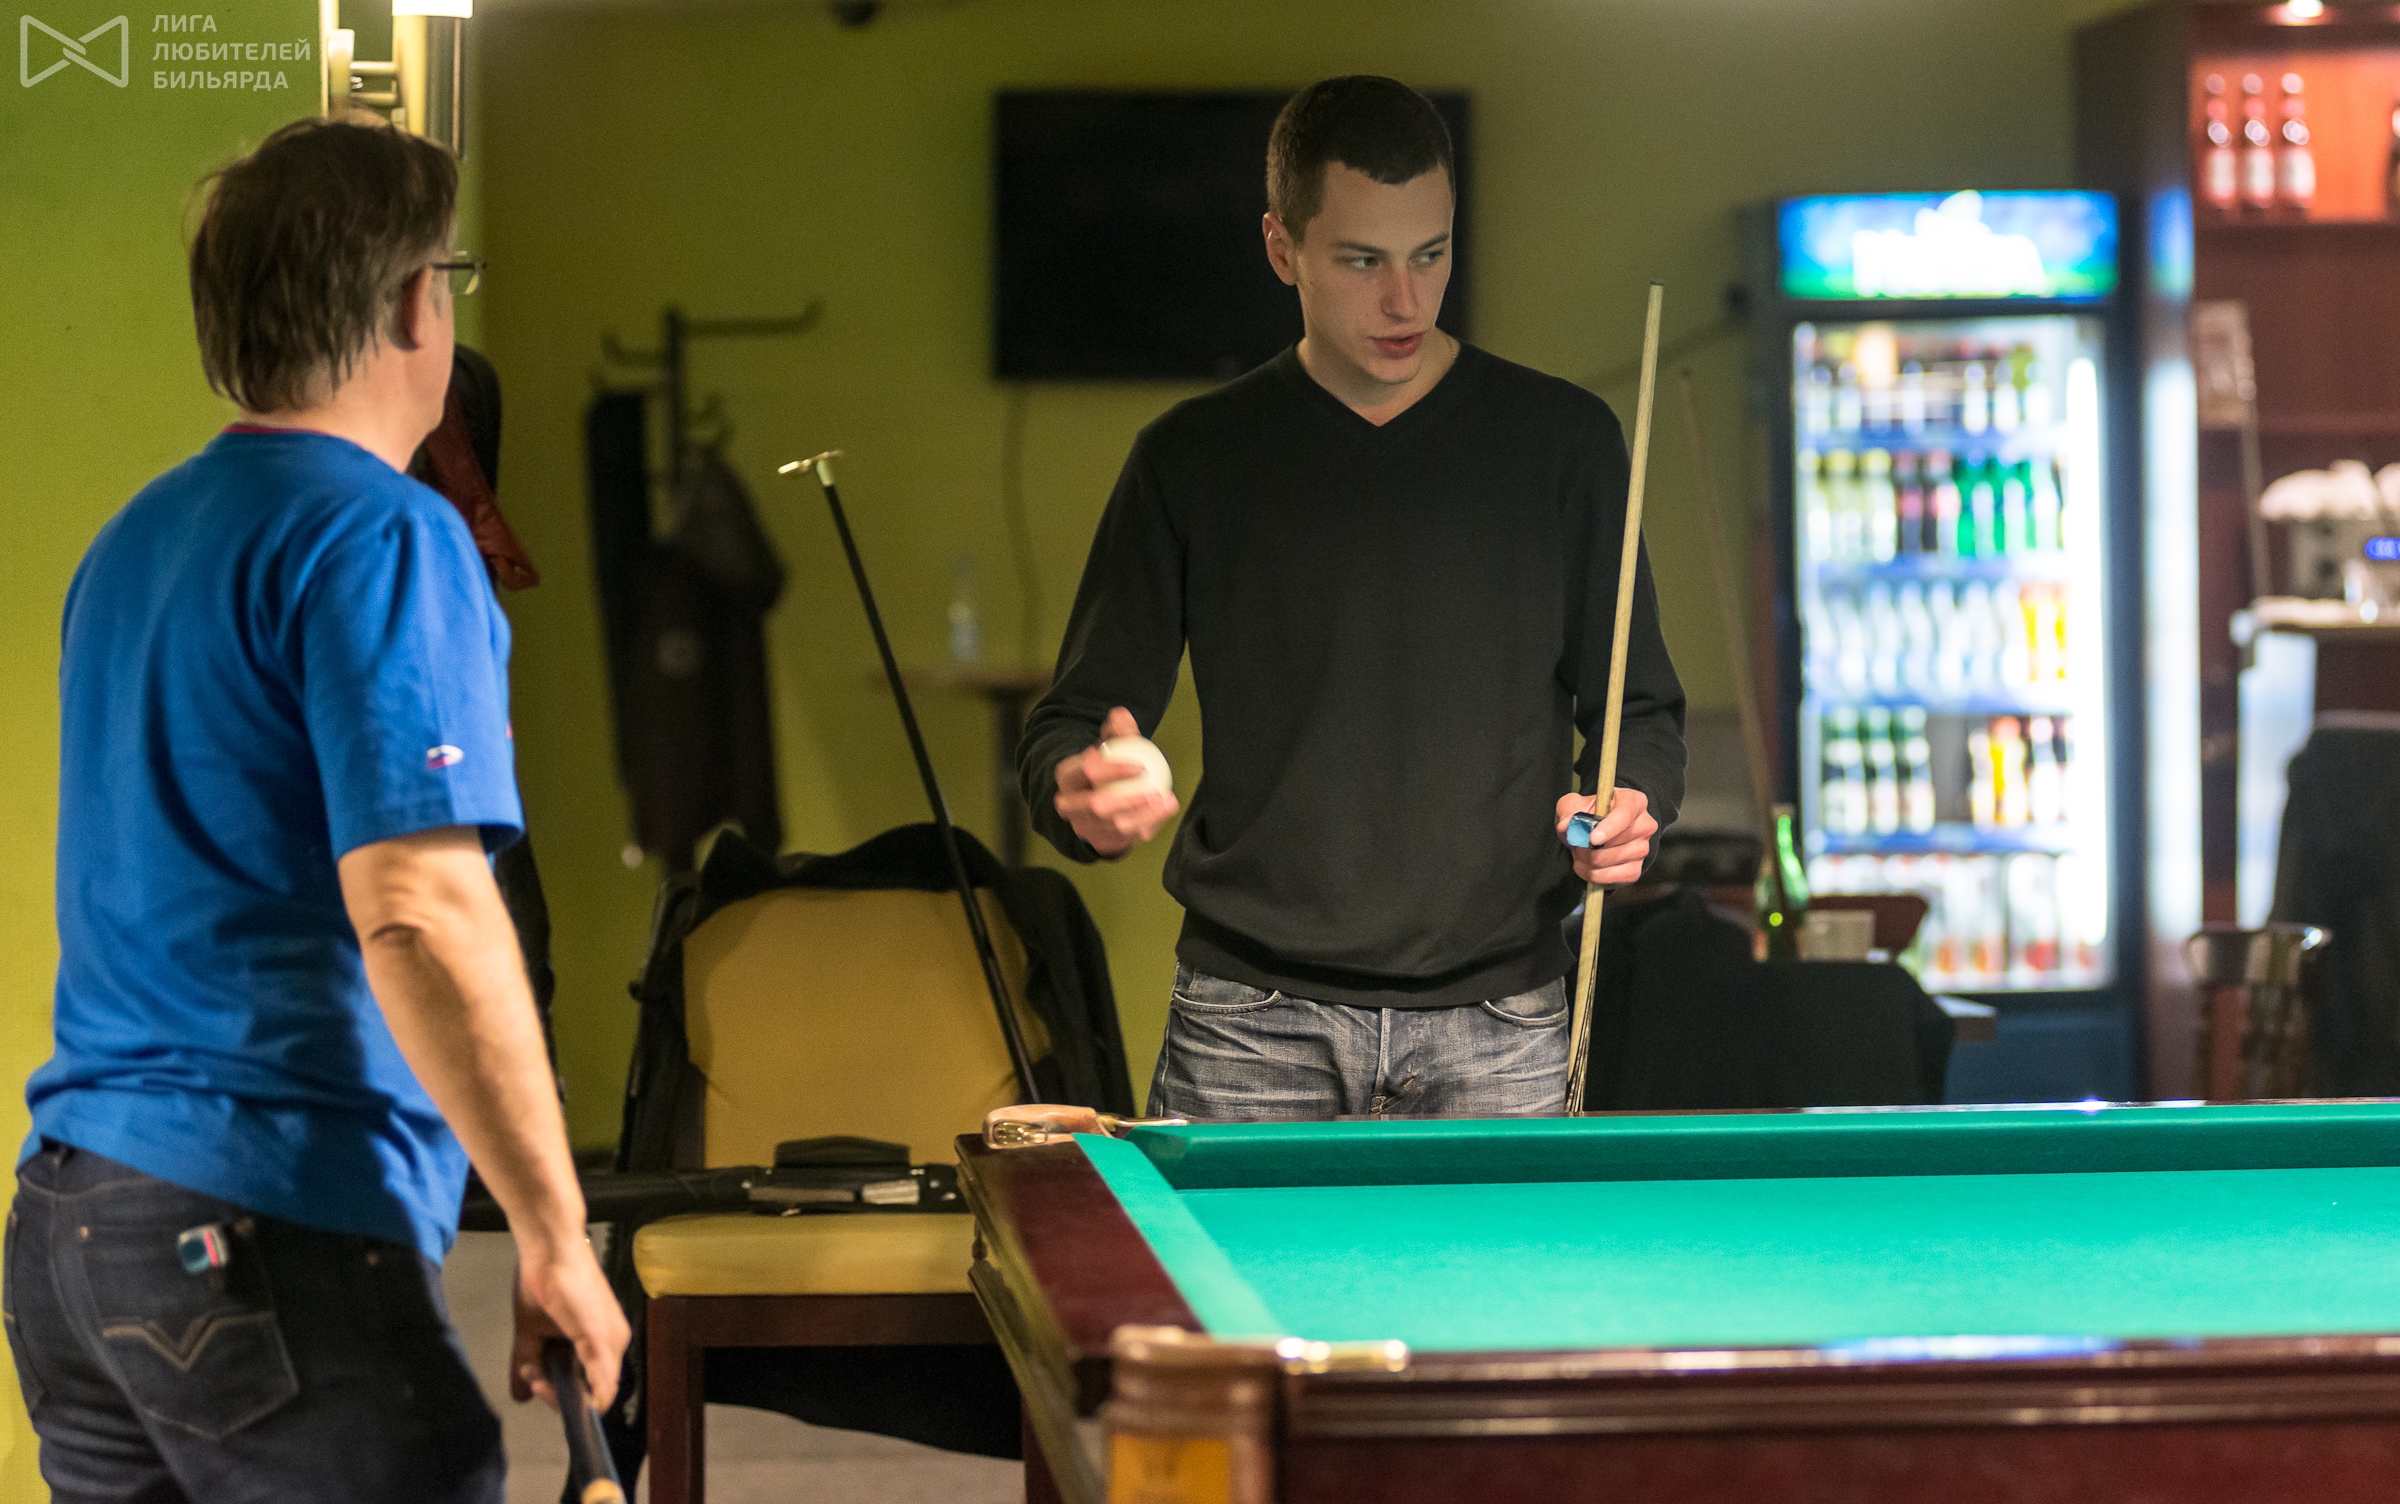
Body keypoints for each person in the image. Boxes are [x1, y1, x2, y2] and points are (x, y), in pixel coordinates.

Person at [6, 117, 626, 1502]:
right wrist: (551, 1232)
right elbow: (420, 908)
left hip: (74, 1228)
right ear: (415, 303)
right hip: (256, 1219)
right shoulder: (384, 532)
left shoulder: (137, 538)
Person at [1018, 75, 1686, 1120]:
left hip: (1501, 1021)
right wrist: (1087, 790)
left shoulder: (1566, 444)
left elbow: (1638, 711)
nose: (1405, 302)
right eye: (1363, 261)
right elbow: (1066, 726)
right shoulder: (1192, 458)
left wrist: (1632, 801)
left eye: (1431, 254)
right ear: (1281, 247)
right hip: (1249, 1025)